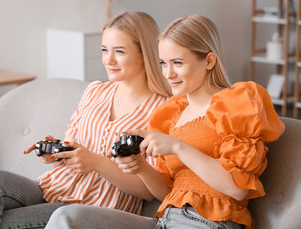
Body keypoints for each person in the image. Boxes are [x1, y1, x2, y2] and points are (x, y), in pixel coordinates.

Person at [44, 15, 285, 229]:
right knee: (67, 218)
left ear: (209, 61)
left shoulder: (235, 103)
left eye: (177, 63)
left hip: (211, 223)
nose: (168, 74)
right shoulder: (173, 113)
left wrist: (177, 146)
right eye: (163, 63)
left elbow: (237, 187)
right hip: (165, 219)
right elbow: (166, 192)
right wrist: (140, 167)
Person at [0, 11, 172, 229]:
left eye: (119, 51)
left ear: (145, 53)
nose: (108, 59)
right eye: (104, 50)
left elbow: (149, 190)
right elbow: (72, 144)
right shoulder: (95, 90)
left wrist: (97, 163)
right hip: (53, 188)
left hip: (90, 208)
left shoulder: (161, 110)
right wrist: (58, 153)